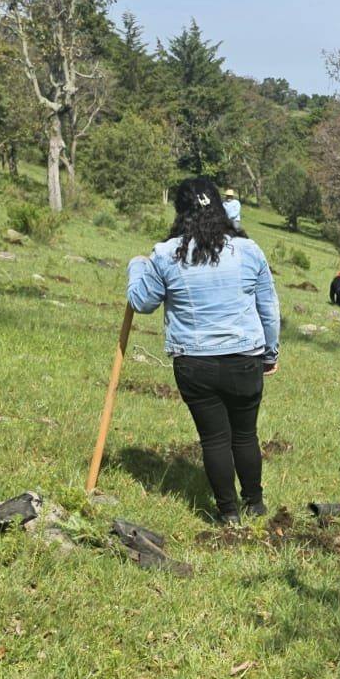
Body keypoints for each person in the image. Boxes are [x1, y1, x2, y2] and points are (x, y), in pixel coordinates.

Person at [127, 176, 280, 527]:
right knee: (245, 434)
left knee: (213, 438)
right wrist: (269, 354)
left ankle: (228, 513)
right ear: (222, 207)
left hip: (195, 363)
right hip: (245, 357)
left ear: (180, 211)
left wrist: (136, 266)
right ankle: (255, 504)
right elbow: (269, 309)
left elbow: (141, 301)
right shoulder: (248, 250)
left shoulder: (165, 255)